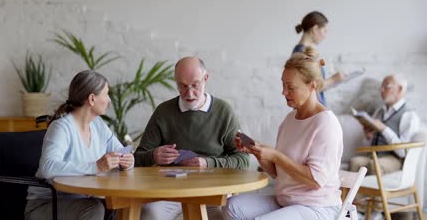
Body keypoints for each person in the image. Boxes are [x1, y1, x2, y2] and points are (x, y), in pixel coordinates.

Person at [223, 47, 343, 219]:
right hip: (287, 202)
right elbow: (278, 173)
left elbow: (315, 180)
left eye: (290, 87)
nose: (284, 92)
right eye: (283, 85)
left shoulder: (325, 123)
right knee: (233, 206)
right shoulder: (290, 119)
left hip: (318, 207)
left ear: (312, 86)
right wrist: (258, 153)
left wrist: (276, 156)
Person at [134, 56, 249, 220]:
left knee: (222, 215)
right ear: (176, 82)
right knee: (149, 213)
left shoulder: (224, 111)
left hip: (212, 192)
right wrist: (154, 155)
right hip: (169, 193)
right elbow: (137, 157)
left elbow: (243, 159)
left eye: (195, 85)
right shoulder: (163, 111)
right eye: (182, 86)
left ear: (206, 79)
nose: (189, 93)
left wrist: (209, 163)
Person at [25, 70, 134, 220]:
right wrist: (95, 167)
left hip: (83, 200)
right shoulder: (61, 127)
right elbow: (47, 168)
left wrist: (127, 161)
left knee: (121, 205)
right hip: (48, 204)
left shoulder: (98, 125)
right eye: (106, 94)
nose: (109, 100)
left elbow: (120, 151)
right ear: (91, 99)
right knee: (94, 209)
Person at [350, 74, 420, 175]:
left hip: (393, 159)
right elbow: (367, 145)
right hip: (374, 155)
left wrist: (384, 129)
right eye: (381, 87)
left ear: (400, 89)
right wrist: (368, 137)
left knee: (374, 165)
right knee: (355, 162)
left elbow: (403, 152)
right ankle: (354, 191)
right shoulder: (379, 112)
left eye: (386, 87)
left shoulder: (409, 115)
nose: (382, 91)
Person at [292, 11, 344, 106]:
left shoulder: (303, 51)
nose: (325, 35)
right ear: (315, 29)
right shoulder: (302, 54)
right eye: (325, 31)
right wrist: (333, 79)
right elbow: (309, 88)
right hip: (312, 110)